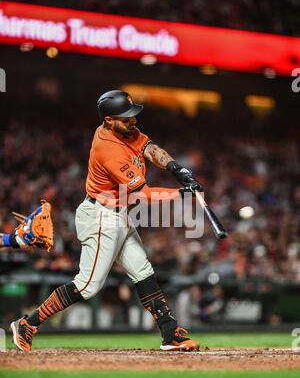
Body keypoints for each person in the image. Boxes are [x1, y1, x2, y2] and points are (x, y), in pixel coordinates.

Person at [11, 90, 203, 352]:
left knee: (143, 271)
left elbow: (149, 147)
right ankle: (27, 323)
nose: (132, 122)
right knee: (88, 286)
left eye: (132, 116)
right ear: (109, 120)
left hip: (118, 214)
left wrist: (175, 168)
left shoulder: (123, 130)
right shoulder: (108, 149)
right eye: (126, 119)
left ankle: (171, 334)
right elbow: (142, 194)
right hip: (101, 217)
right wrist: (181, 194)